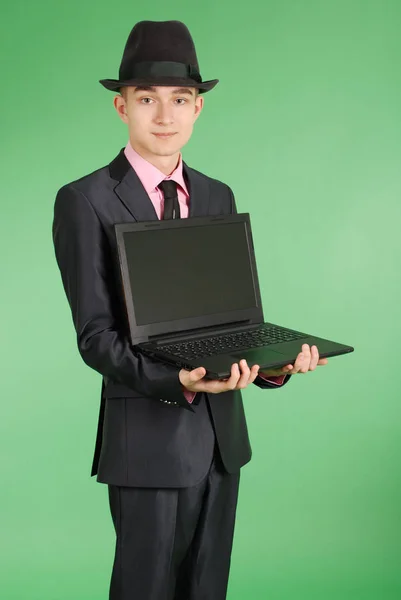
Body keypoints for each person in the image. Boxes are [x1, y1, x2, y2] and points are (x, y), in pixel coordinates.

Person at [52, 20, 328, 600]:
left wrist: (270, 363)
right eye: (146, 99)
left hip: (221, 444)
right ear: (120, 106)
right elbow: (96, 337)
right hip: (147, 441)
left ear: (198, 108)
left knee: (206, 590)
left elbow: (228, 324)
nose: (164, 115)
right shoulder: (85, 201)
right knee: (145, 590)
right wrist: (175, 380)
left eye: (180, 100)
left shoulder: (215, 194)